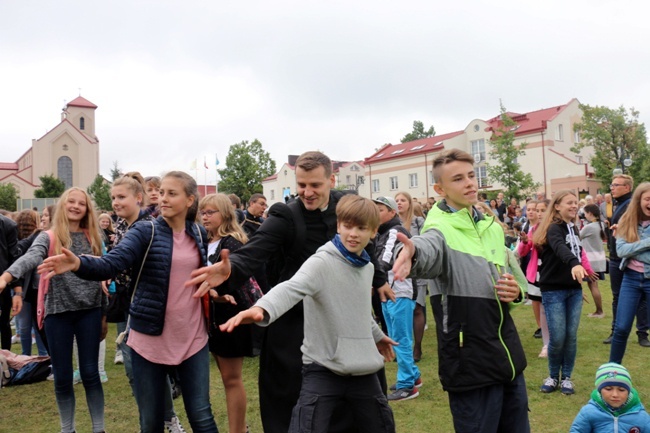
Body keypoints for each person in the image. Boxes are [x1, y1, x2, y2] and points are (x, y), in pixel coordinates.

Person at [188, 151, 391, 433]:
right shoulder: (286, 215)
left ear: (331, 180)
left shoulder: (347, 207)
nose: (307, 193)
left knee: (358, 403)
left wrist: (380, 279)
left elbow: (367, 244)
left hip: (344, 319)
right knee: (294, 401)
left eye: (315, 186)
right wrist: (231, 269)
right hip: (294, 322)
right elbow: (255, 251)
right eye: (301, 185)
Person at [39, 172, 218, 433]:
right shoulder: (146, 229)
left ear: (190, 199)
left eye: (172, 193)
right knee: (151, 421)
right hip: (150, 340)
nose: (163, 199)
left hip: (193, 337)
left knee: (202, 417)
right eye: (162, 192)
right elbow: (114, 262)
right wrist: (79, 263)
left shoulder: (198, 233)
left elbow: (202, 277)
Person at [220, 194, 397, 433]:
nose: (353, 233)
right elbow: (291, 288)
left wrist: (376, 335)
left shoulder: (366, 267)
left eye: (361, 228)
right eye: (347, 226)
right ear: (338, 226)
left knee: (381, 425)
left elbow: (357, 309)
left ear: (374, 232)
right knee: (306, 426)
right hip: (322, 368)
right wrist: (261, 308)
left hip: (362, 370)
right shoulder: (322, 262)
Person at [392, 149, 529, 433]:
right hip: (470, 360)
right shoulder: (439, 227)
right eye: (458, 179)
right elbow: (428, 249)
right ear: (440, 189)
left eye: (471, 175)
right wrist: (413, 252)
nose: (469, 183)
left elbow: (517, 283)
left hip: (508, 357)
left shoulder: (489, 225)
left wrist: (516, 293)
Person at [0, 187, 107, 433]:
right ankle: (67, 429)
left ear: (87, 209)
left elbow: (103, 274)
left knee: (90, 373)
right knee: (62, 375)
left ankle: (98, 429)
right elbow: (30, 257)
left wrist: (103, 313)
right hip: (58, 314)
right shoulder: (48, 237)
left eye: (82, 203)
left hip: (89, 312)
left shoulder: (94, 237)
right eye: (71, 201)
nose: (76, 206)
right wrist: (6, 277)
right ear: (62, 204)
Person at [109, 172, 186, 432]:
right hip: (129, 305)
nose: (116, 203)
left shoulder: (149, 227)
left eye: (121, 197)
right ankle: (162, 420)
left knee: (149, 372)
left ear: (138, 198)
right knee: (136, 374)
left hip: (147, 309)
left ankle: (168, 420)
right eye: (113, 198)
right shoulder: (121, 227)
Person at [200, 193, 254, 433]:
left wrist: (217, 292)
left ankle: (237, 430)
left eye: (210, 212)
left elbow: (238, 281)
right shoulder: (205, 240)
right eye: (203, 212)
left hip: (231, 315)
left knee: (232, 379)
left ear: (225, 214)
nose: (205, 216)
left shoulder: (232, 242)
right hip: (211, 314)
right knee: (225, 378)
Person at [534, 190, 591, 395]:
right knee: (557, 338)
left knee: (571, 337)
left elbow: (576, 254)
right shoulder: (554, 229)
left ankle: (566, 378)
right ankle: (552, 376)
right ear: (557, 206)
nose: (574, 206)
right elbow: (560, 248)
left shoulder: (573, 228)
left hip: (573, 291)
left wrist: (578, 284)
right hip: (554, 291)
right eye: (569, 202)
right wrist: (575, 264)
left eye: (576, 203)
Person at [373, 195, 421, 401]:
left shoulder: (395, 231)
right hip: (388, 292)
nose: (376, 213)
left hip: (399, 292)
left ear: (392, 212)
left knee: (400, 339)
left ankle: (407, 386)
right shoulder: (382, 232)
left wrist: (371, 279)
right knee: (394, 337)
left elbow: (383, 261)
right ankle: (414, 376)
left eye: (380, 209)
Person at [603, 175, 650, 346]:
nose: (612, 188)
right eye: (612, 184)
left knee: (641, 298)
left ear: (628, 188)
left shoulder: (634, 207)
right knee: (617, 296)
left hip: (631, 260)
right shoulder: (617, 205)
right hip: (617, 257)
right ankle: (616, 331)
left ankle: (642, 333)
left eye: (616, 185)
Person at [394, 191, 427, 363]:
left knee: (418, 309)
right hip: (400, 272)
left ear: (409, 203)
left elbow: (425, 244)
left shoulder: (418, 221)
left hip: (417, 270)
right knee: (401, 311)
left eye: (402, 200)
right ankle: (402, 348)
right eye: (397, 200)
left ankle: (418, 347)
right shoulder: (393, 223)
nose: (399, 203)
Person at [570, 363, 650, 432]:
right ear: (599, 391)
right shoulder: (588, 412)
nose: (615, 394)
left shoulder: (641, 416)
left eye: (621, 390)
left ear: (628, 392)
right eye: (608, 389)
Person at [580, 204, 607, 318]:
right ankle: (599, 310)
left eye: (585, 213)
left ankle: (599, 311)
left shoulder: (589, 227)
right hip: (599, 260)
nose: (584, 215)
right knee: (593, 286)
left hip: (591, 261)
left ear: (590, 213)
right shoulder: (600, 225)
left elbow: (578, 236)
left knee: (593, 286)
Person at [0, 212, 21, 350]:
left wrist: (18, 291)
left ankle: (6, 364)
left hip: (3, 284)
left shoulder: (8, 225)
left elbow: (14, 258)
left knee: (4, 324)